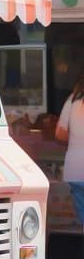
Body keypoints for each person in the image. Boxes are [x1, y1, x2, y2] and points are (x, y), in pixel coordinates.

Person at [56, 77, 84, 239]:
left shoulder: (72, 100)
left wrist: (76, 136)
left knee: (82, 219)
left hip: (74, 168)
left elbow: (59, 133)